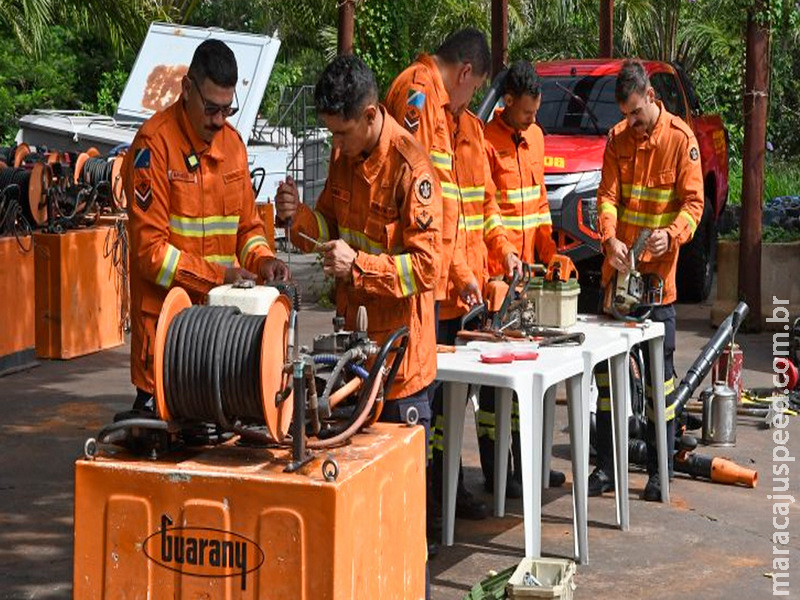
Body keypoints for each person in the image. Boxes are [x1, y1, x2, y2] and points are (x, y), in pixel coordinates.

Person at [275, 54, 440, 598]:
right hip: (352, 363)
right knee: (359, 510)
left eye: (341, 133)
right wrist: (297, 217)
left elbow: (427, 269)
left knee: (402, 519)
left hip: (400, 372)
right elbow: (326, 226)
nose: (336, 145)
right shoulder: (346, 158)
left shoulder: (413, 169)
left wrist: (360, 267)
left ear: (371, 116)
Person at [123, 39, 289, 411]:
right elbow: (150, 254)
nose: (218, 120)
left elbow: (248, 230)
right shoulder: (154, 147)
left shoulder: (233, 147)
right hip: (167, 343)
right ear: (187, 89)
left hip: (222, 345)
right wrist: (218, 277)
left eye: (227, 110)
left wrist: (263, 260)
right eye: (211, 108)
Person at [384, 27, 495, 522]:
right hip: (418, 277)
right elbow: (425, 202)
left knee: (436, 399)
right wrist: (453, 269)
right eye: (475, 87)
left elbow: (452, 207)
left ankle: (438, 496)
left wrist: (461, 270)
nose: (468, 99)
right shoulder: (420, 94)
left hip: (439, 277)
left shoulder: (442, 108)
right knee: (415, 400)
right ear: (466, 71)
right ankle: (421, 509)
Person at [589, 59, 703, 501]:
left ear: (651, 97)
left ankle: (659, 471)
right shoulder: (617, 139)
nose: (632, 124)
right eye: (626, 116)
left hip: (657, 285)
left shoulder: (681, 140)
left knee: (661, 383)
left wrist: (670, 236)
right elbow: (607, 197)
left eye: (636, 113)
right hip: (619, 281)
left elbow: (694, 206)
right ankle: (605, 466)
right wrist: (609, 239)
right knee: (606, 381)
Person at [481, 59, 566, 496]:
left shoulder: (535, 138)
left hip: (528, 280)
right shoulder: (485, 141)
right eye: (527, 112)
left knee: (529, 381)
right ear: (508, 101)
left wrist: (551, 251)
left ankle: (529, 467)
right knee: (495, 390)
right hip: (496, 280)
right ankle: (498, 473)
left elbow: (540, 205)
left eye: (537, 111)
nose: (533, 118)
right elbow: (486, 210)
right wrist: (505, 254)